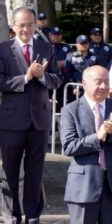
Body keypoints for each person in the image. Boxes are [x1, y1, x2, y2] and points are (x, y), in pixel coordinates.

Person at [0, 6, 63, 224]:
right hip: (12, 122)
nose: (26, 29)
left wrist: (42, 78)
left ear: (36, 26)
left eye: (30, 24)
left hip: (39, 121)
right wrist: (26, 76)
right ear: (13, 26)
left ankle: (33, 216)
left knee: (35, 172)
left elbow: (58, 79)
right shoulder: (3, 49)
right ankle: (12, 217)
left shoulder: (46, 47)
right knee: (10, 171)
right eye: (21, 25)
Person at [60, 65, 112, 224]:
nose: (103, 86)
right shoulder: (70, 110)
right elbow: (69, 147)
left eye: (107, 82)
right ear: (84, 84)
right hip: (83, 186)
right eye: (98, 82)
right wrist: (99, 135)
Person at [64, 35, 96, 104]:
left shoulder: (94, 57)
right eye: (82, 43)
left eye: (86, 43)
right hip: (76, 88)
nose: (84, 45)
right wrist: (74, 87)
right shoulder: (70, 57)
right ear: (77, 44)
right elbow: (67, 73)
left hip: (90, 87)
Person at [49, 26, 72, 109]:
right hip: (50, 79)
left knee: (64, 103)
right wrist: (56, 64)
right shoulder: (45, 47)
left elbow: (70, 62)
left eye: (58, 34)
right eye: (54, 34)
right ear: (50, 35)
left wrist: (60, 63)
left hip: (63, 79)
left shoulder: (67, 47)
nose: (56, 36)